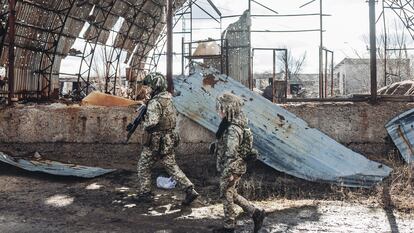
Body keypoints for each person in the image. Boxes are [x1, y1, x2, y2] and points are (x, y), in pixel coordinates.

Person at [135, 72, 199, 205]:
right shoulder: (169, 97)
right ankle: (189, 189)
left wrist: (144, 121)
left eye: (150, 87)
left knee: (143, 166)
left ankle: (145, 193)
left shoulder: (155, 102)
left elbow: (152, 122)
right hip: (168, 138)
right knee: (172, 166)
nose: (148, 89)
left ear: (155, 87)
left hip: (155, 141)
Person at [211, 93, 266, 233]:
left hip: (232, 166)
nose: (219, 111)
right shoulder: (228, 124)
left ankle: (229, 226)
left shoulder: (232, 129)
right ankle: (255, 213)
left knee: (226, 194)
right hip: (233, 165)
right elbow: (225, 146)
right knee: (232, 194)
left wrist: (231, 173)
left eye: (221, 108)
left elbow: (231, 152)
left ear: (228, 109)